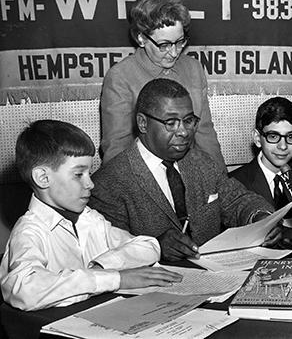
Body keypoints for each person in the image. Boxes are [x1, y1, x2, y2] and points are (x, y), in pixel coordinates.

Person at [90, 78, 281, 262]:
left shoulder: (201, 162)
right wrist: (155, 247)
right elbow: (110, 256)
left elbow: (238, 200)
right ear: (142, 123)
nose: (183, 131)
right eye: (171, 123)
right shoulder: (108, 184)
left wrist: (260, 217)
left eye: (188, 120)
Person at [0, 120, 181, 311]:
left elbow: (148, 245)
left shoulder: (90, 219)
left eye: (89, 172)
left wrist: (100, 268)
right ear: (43, 178)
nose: (91, 184)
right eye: (79, 174)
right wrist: (116, 278)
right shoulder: (29, 231)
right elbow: (26, 290)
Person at [99, 0, 226, 171]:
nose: (174, 53)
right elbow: (116, 145)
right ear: (142, 38)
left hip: (189, 170)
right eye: (164, 45)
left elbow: (205, 133)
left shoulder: (193, 68)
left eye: (180, 42)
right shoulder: (121, 76)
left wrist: (222, 180)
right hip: (143, 174)